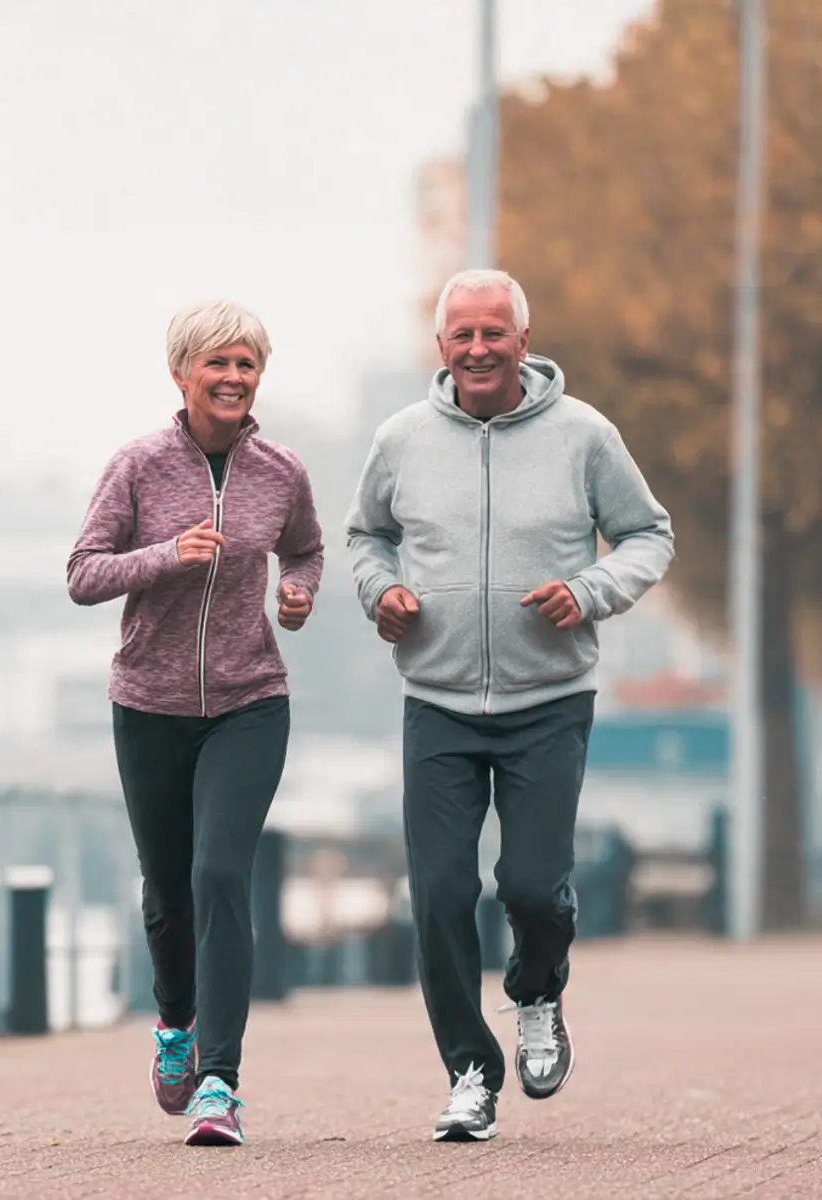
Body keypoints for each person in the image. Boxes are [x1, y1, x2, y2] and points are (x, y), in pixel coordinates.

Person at [345, 268, 674, 1142]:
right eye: (465, 336)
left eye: (496, 333)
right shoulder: (403, 439)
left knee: (530, 887)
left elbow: (649, 533)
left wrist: (591, 590)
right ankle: (468, 1070)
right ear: (443, 347)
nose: (480, 349)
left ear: (524, 342)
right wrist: (381, 592)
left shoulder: (584, 436)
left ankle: (536, 993)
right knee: (442, 893)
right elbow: (365, 534)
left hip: (547, 700)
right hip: (439, 701)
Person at [67, 299, 324, 1147]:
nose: (234, 379)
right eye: (218, 364)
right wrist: (166, 555)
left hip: (251, 703)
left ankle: (220, 1083)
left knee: (221, 877)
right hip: (149, 704)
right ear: (182, 374)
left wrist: (297, 594)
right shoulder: (139, 466)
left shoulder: (280, 470)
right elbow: (83, 572)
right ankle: (174, 1024)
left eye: (247, 365)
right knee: (169, 895)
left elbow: (307, 547)